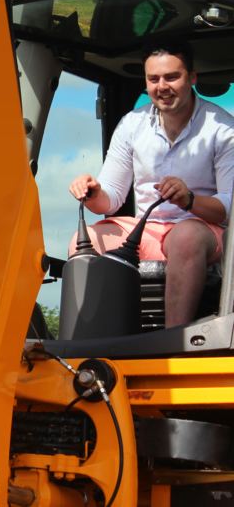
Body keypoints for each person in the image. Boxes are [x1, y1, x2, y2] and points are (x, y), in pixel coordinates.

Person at [69, 42, 234, 327]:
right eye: (153, 79)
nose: (162, 87)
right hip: (148, 230)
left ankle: (173, 341)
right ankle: (98, 339)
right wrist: (92, 193)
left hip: (203, 230)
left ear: (192, 78)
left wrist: (189, 200)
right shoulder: (132, 125)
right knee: (83, 240)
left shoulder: (222, 128)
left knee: (186, 237)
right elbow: (111, 197)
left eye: (172, 77)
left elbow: (228, 208)